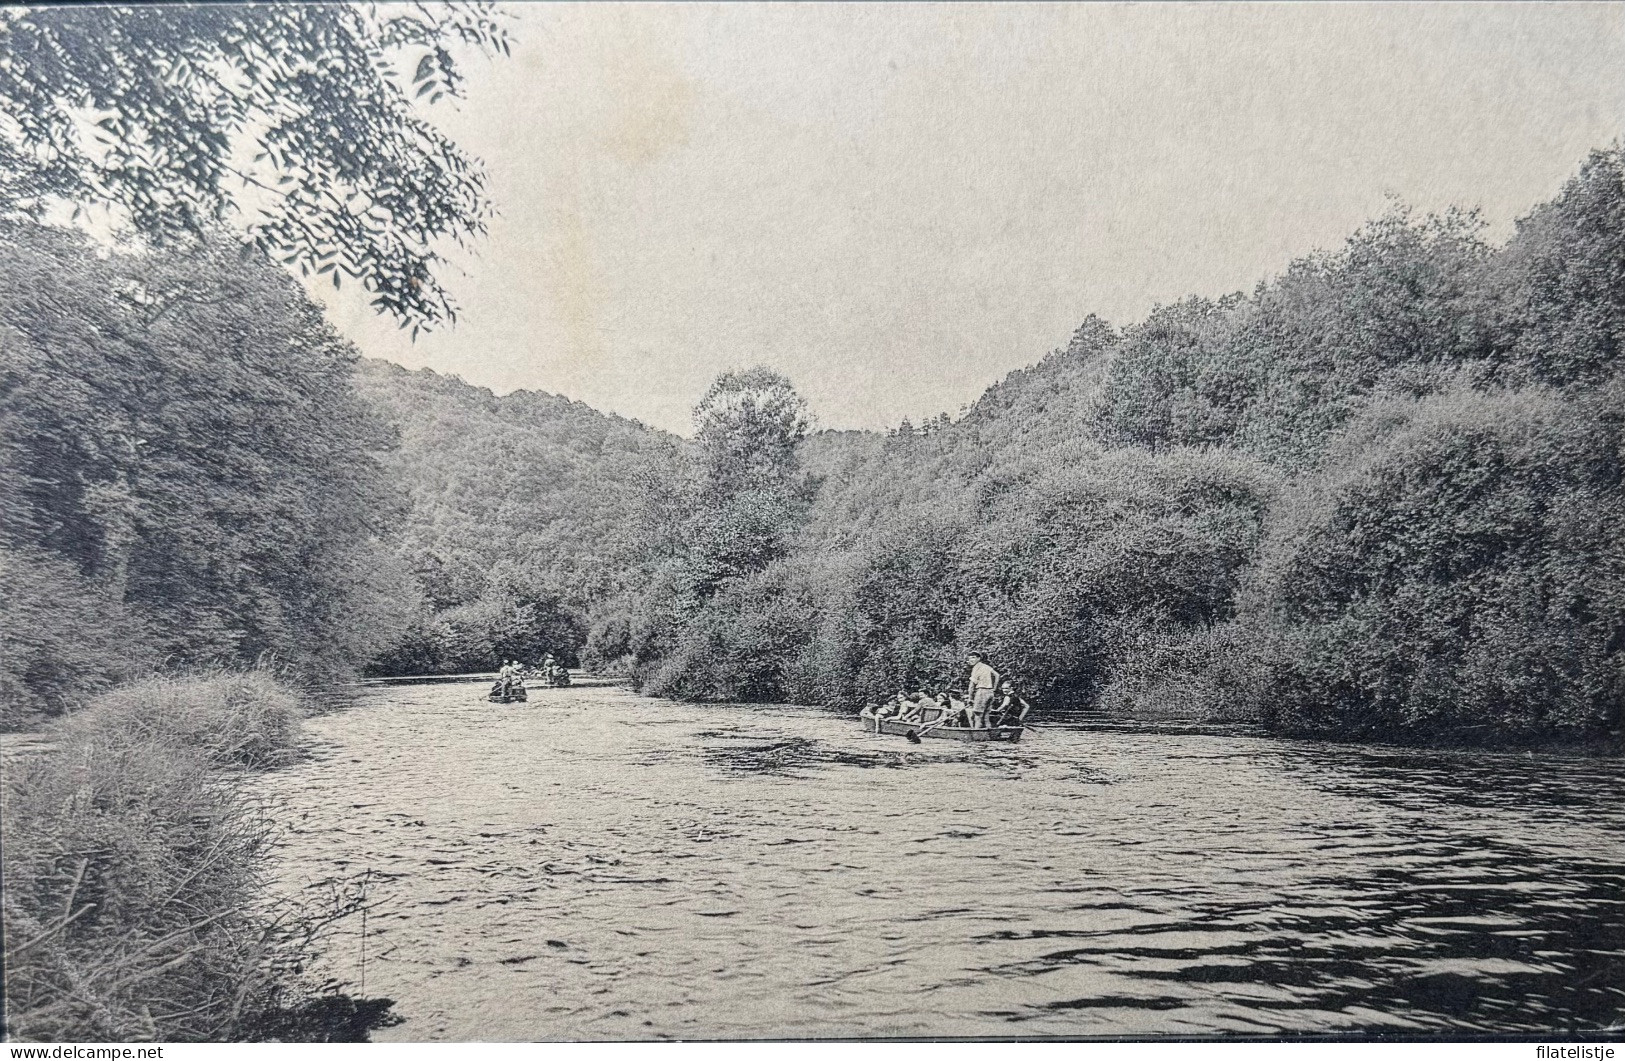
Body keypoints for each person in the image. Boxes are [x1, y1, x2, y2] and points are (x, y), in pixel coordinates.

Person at [965, 652, 1001, 728]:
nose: (971, 660)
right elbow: (997, 675)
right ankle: (989, 735)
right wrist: (994, 688)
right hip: (990, 692)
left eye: (973, 657)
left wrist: (970, 698)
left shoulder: (976, 668)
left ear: (979, 658)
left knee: (977, 716)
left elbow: (971, 686)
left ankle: (976, 734)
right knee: (986, 716)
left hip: (981, 692)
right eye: (969, 658)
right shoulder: (986, 666)